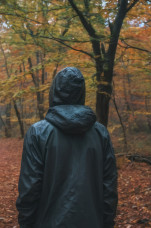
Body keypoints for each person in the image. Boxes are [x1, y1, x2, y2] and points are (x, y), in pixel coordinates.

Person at [16, 67, 118, 228]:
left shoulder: (38, 132)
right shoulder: (100, 133)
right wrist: (107, 222)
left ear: (54, 92)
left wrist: (26, 223)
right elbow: (109, 187)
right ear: (81, 93)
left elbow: (30, 188)